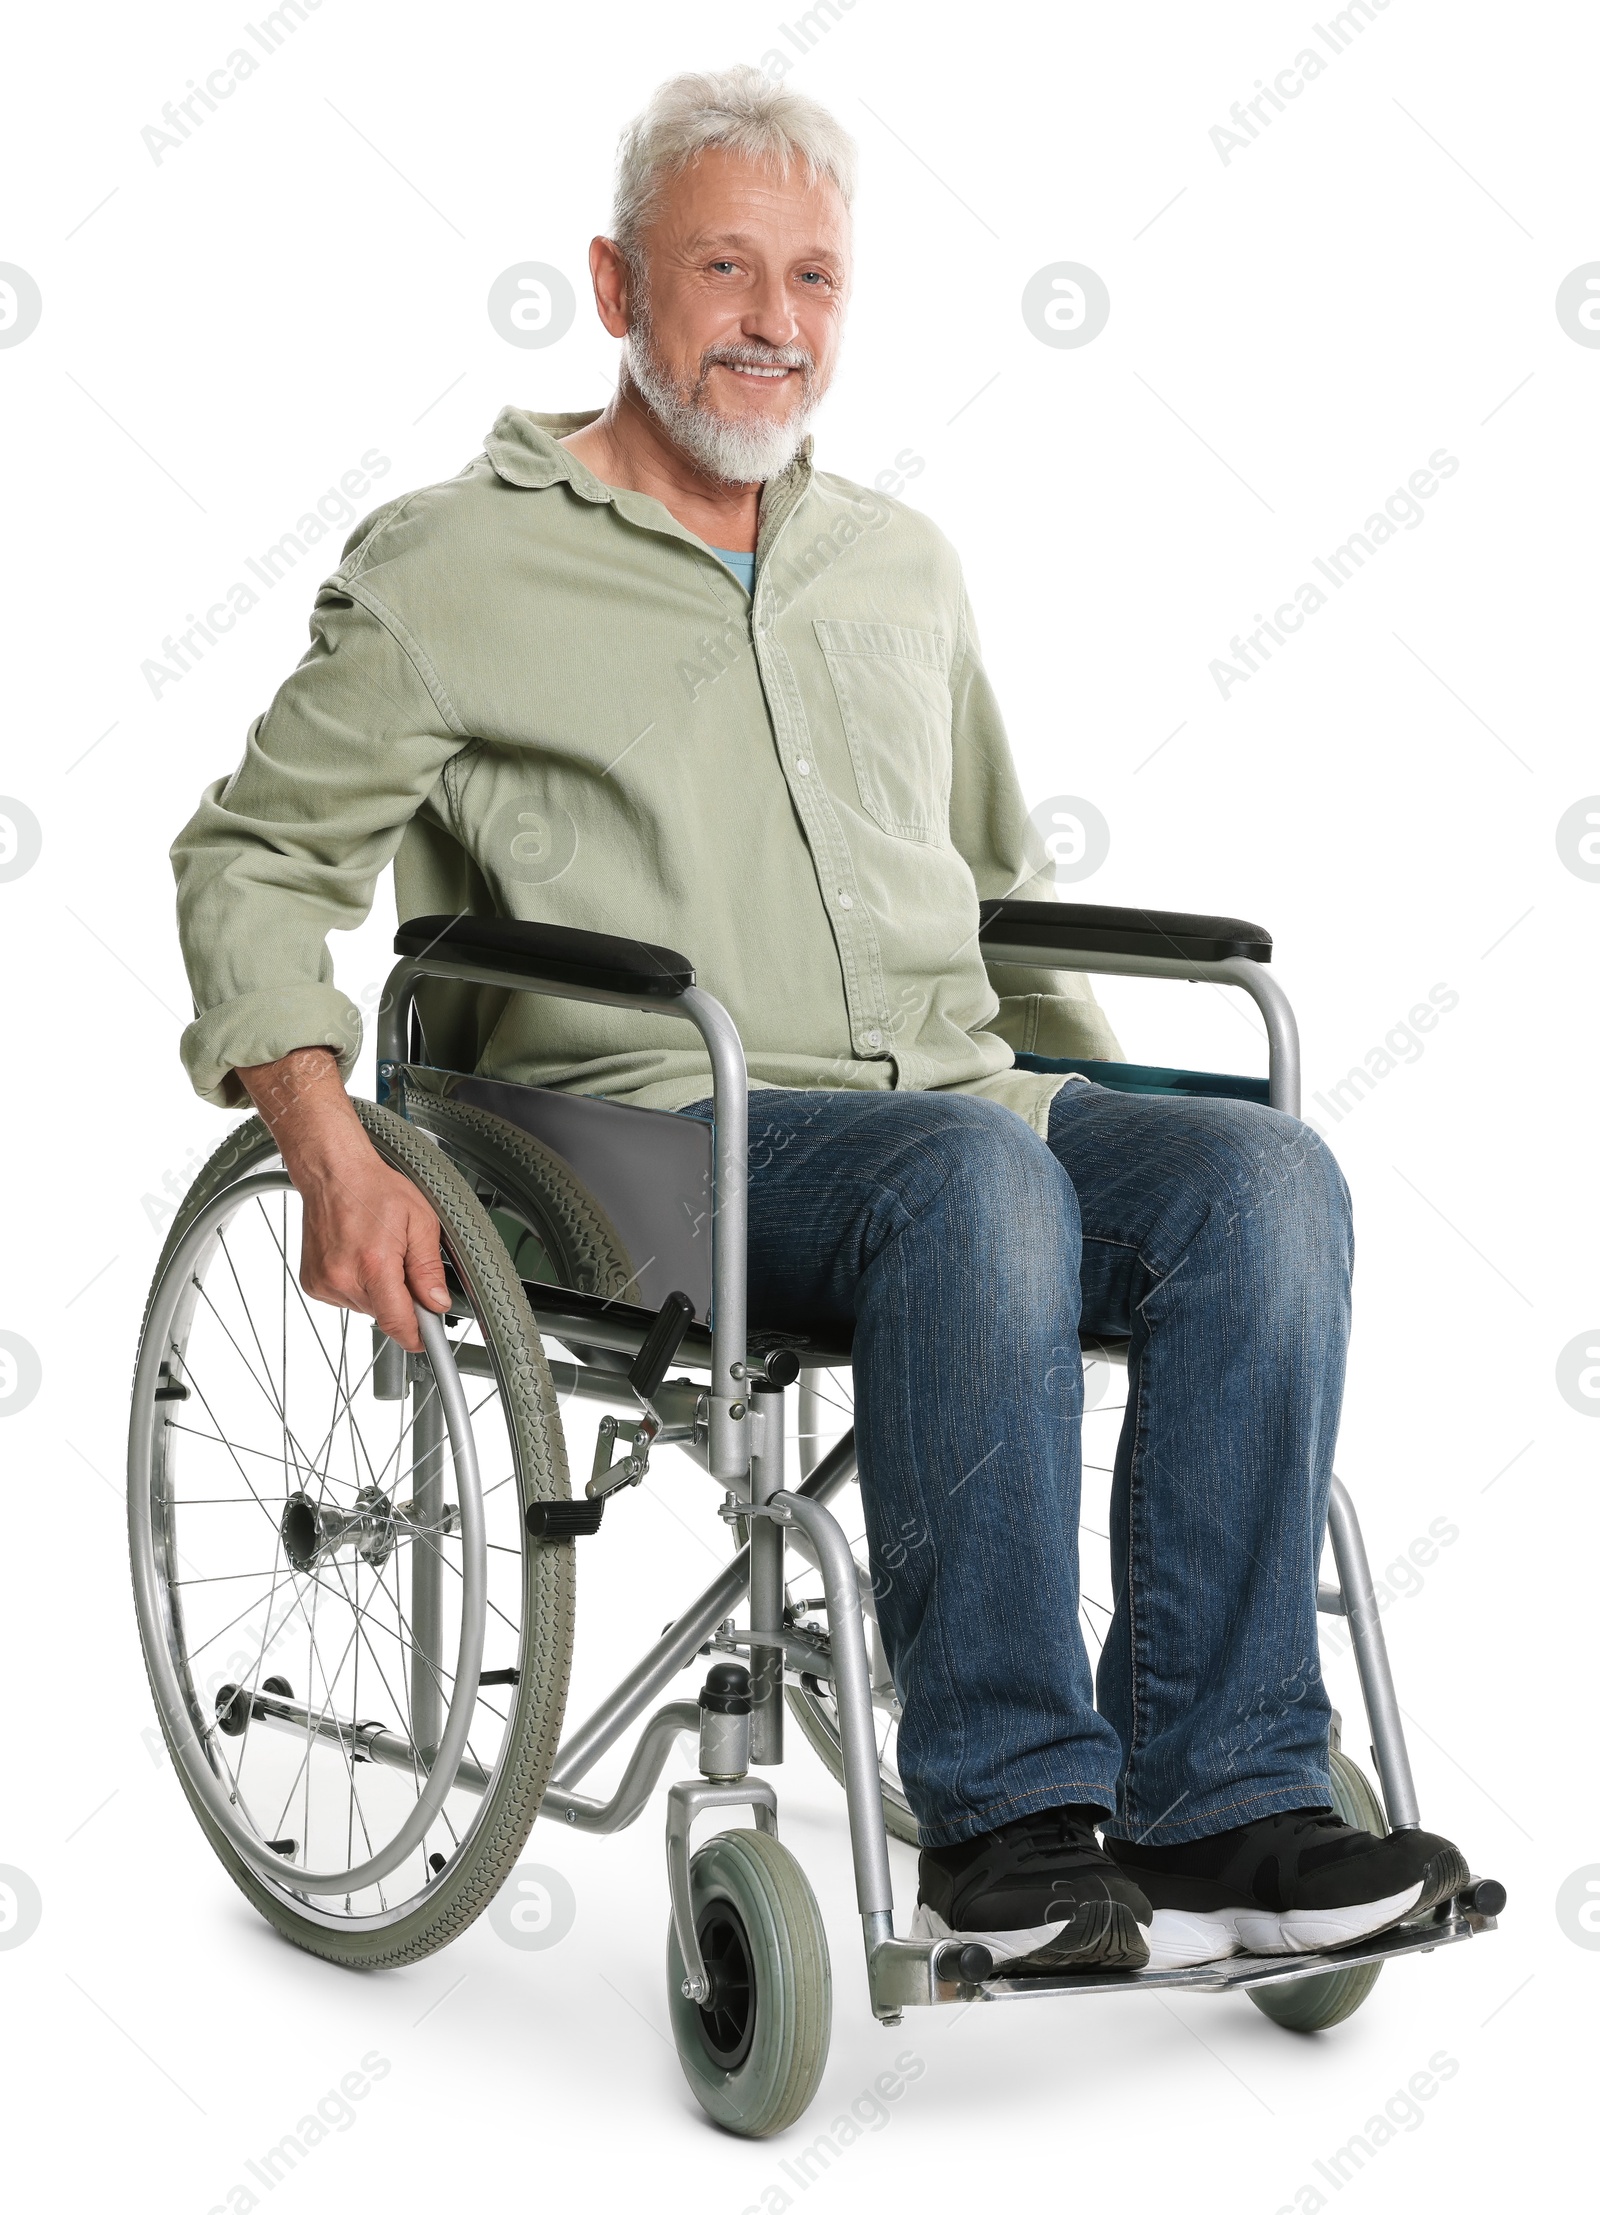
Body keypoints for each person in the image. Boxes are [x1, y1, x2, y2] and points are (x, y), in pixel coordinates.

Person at [171, 65, 1465, 1973]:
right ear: (616, 289)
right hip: (633, 1140)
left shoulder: (897, 569)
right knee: (971, 1187)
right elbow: (252, 861)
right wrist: (331, 1149)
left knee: (1257, 1178)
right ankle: (1013, 1817)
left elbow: (994, 906)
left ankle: (1231, 1792)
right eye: (724, 269)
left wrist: (1126, 1143)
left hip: (944, 1113)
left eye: (816, 280)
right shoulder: (454, 563)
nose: (775, 322)